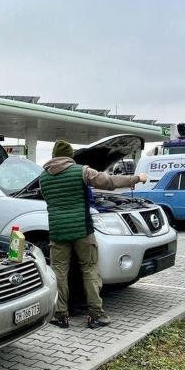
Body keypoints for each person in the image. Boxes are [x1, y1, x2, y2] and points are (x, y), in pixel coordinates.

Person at [39, 140, 148, 329]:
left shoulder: (43, 177)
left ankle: (61, 315)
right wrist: (137, 178)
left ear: (54, 156)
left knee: (59, 272)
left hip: (57, 231)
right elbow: (111, 183)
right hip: (82, 229)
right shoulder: (82, 171)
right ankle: (96, 315)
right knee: (89, 269)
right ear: (70, 156)